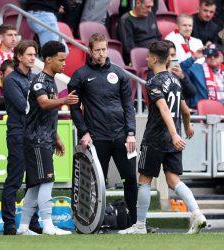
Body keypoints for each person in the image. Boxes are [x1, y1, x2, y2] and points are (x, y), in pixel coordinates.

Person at [119, 41, 207, 235]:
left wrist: (175, 134)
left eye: (149, 56)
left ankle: (140, 225)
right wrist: (187, 125)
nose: (147, 59)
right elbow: (184, 109)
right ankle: (198, 213)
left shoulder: (154, 81)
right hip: (173, 138)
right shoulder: (175, 80)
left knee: (144, 180)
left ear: (155, 58)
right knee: (173, 179)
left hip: (156, 138)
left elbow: (163, 108)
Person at [68, 33, 138, 224]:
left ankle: (136, 223)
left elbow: (128, 106)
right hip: (97, 137)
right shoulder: (80, 76)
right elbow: (74, 108)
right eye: (97, 50)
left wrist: (131, 132)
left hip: (122, 136)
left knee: (130, 178)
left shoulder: (119, 73)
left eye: (104, 49)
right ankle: (94, 222)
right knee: (96, 182)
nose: (102, 54)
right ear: (90, 51)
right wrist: (84, 131)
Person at [17, 41, 78, 235]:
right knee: (46, 182)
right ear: (49, 60)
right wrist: (64, 101)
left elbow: (46, 115)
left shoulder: (51, 81)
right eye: (61, 60)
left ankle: (24, 227)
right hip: (36, 140)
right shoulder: (39, 81)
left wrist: (56, 136)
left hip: (44, 138)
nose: (64, 64)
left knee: (35, 185)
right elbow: (43, 104)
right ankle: (48, 225)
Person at [2, 41, 42, 235]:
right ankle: (9, 225)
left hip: (34, 134)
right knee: (15, 180)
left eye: (34, 54)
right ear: (19, 57)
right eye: (29, 54)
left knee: (34, 181)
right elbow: (24, 107)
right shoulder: (11, 80)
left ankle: (32, 223)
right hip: (18, 133)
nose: (33, 58)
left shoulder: (35, 78)